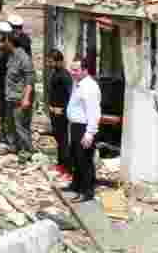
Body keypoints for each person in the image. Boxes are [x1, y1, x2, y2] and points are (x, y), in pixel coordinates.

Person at [65, 56, 101, 203]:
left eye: (76, 70)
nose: (72, 73)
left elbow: (93, 112)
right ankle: (76, 185)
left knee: (84, 160)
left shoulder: (90, 87)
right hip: (75, 126)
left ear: (85, 70)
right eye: (71, 69)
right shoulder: (78, 83)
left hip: (84, 127)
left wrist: (90, 133)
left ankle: (87, 191)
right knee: (75, 157)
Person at [0, 29, 35, 163]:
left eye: (5, 40)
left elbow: (30, 81)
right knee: (10, 124)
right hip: (10, 96)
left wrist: (26, 98)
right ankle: (13, 146)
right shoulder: (11, 55)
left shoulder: (24, 58)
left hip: (20, 98)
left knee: (21, 126)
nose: (3, 43)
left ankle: (27, 150)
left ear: (10, 42)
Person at [47, 49, 73, 177]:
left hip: (61, 113)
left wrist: (63, 109)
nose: (49, 64)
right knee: (58, 139)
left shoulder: (64, 75)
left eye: (51, 61)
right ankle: (60, 163)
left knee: (63, 140)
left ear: (59, 61)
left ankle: (67, 167)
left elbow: (70, 94)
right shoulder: (55, 73)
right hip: (54, 112)